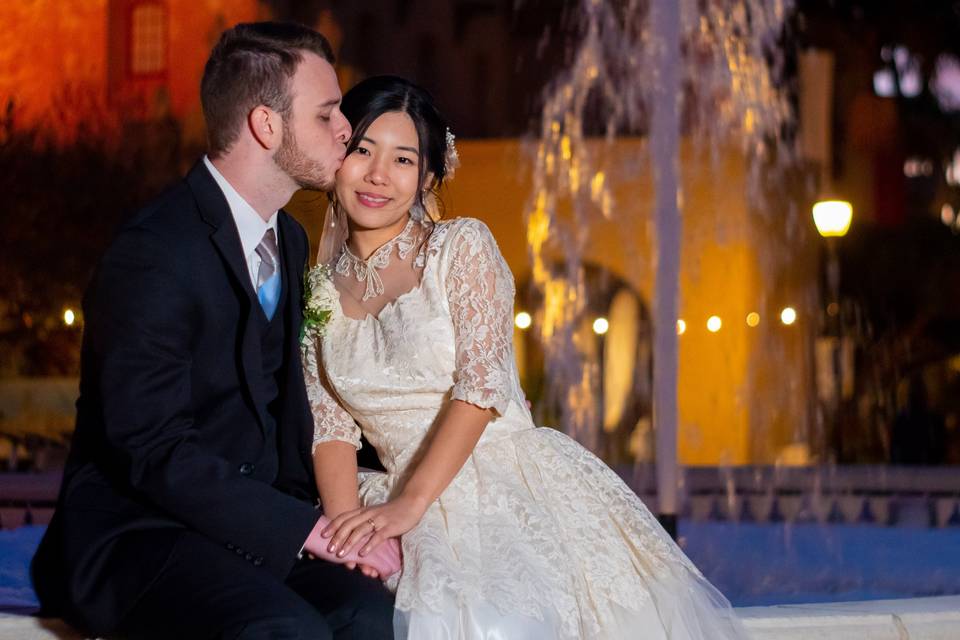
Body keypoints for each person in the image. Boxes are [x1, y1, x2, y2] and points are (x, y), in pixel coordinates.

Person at [303, 74, 750, 639]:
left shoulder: (460, 247)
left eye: (403, 160)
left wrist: (409, 507)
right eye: (363, 150)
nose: (377, 175)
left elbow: (481, 387)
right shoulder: (319, 290)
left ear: (427, 178)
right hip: (386, 490)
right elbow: (330, 424)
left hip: (495, 479)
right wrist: (349, 534)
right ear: (337, 156)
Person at [31, 23, 398, 640]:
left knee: (366, 610)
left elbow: (284, 416)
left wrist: (370, 499)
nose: (346, 130)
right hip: (139, 532)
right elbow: (151, 449)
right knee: (284, 630)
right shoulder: (153, 252)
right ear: (266, 125)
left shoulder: (290, 236)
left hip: (237, 530)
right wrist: (300, 530)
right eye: (328, 113)